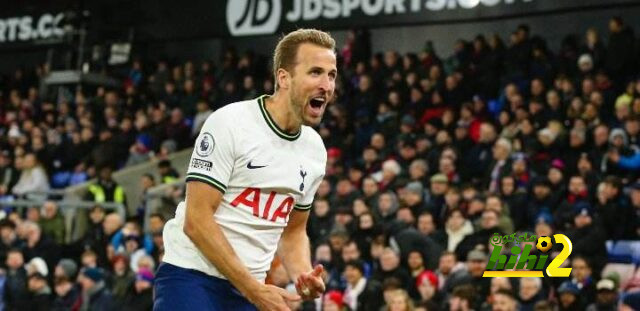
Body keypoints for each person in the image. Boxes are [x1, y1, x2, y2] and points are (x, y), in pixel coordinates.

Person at [155, 28, 336, 310]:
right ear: (283, 78)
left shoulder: (314, 150)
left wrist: (302, 273)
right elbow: (197, 220)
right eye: (315, 72)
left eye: (332, 75)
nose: (326, 84)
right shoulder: (230, 123)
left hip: (249, 287)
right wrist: (253, 290)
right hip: (192, 277)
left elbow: (293, 231)